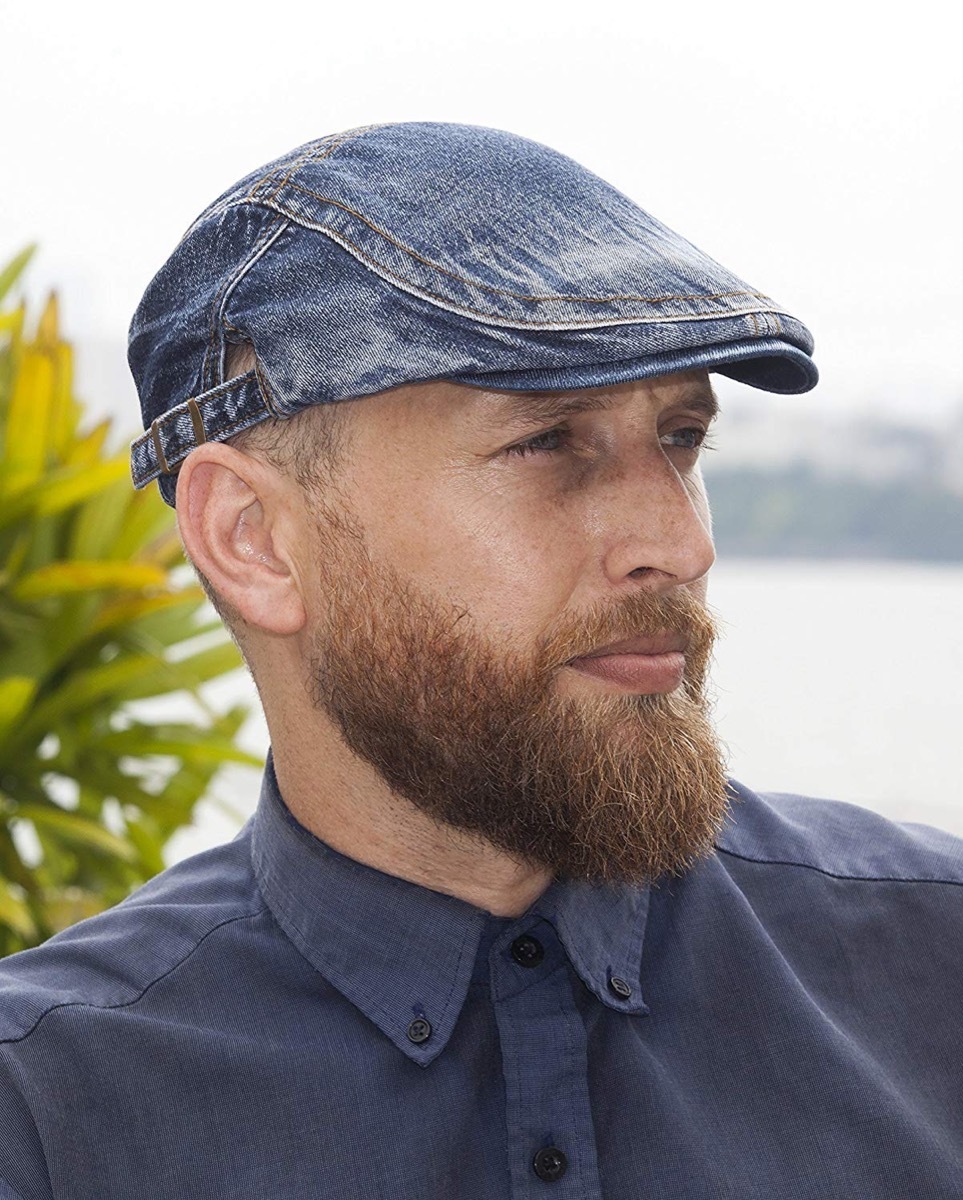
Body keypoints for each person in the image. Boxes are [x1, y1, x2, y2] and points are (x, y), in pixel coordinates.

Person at [1, 122, 960, 1199]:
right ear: (253, 538)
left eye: (683, 439)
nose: (682, 547)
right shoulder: (44, 1110)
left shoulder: (935, 960)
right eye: (547, 442)